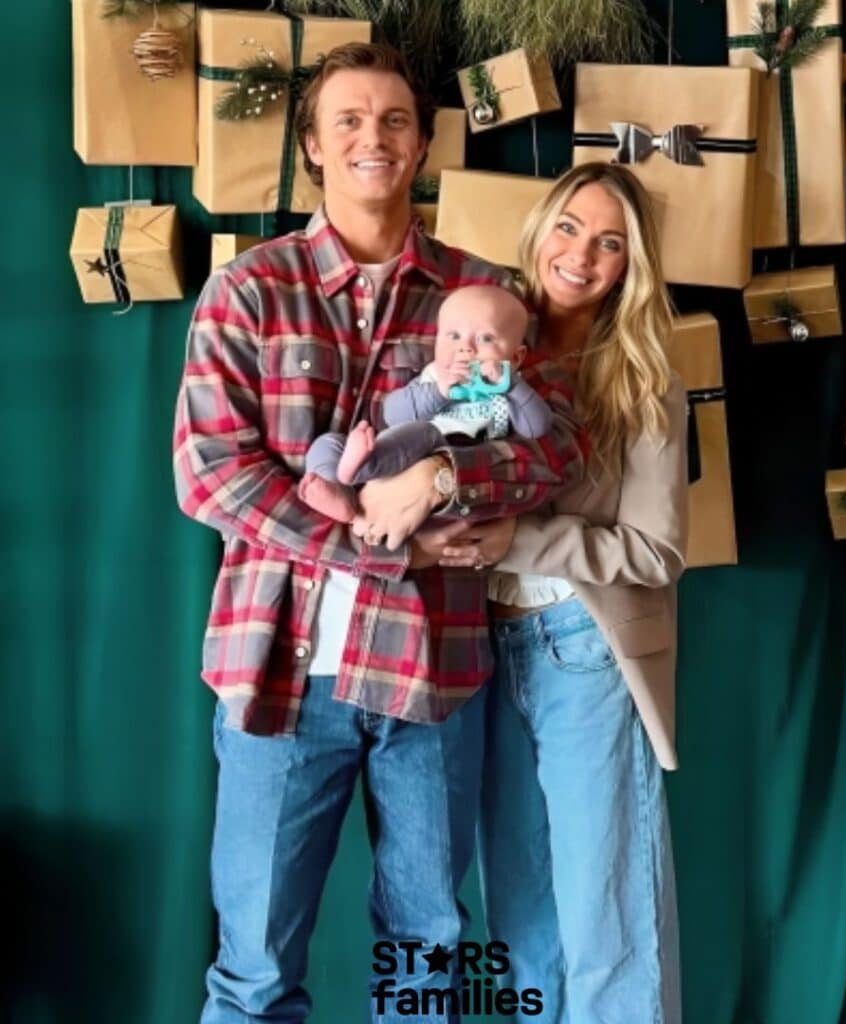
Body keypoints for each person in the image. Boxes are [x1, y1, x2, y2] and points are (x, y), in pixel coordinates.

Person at [172, 41, 585, 1023]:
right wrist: (367, 534)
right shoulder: (248, 291)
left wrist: (449, 474)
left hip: (430, 674)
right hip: (278, 671)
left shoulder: (479, 296)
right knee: (256, 965)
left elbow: (551, 448)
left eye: (394, 120)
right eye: (348, 120)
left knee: (427, 951)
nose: (372, 137)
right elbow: (211, 472)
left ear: (425, 145)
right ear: (313, 147)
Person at [436, 162, 688, 1024]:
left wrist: (518, 538)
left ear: (632, 265)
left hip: (581, 645)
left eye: (610, 242)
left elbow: (656, 551)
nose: (582, 255)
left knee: (605, 911)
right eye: (571, 228)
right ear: (540, 229)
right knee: (520, 911)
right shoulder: (481, 340)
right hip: (477, 649)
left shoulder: (644, 375)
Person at [299, 284, 552, 524]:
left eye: (486, 338)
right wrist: (440, 392)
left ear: (516, 358)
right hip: (391, 453)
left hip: (446, 461)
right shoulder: (434, 377)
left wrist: (512, 386)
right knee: (329, 443)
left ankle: (358, 468)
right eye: (453, 336)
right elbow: (393, 413)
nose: (466, 348)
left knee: (426, 431)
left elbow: (537, 427)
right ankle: (336, 491)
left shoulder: (507, 391)